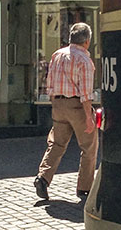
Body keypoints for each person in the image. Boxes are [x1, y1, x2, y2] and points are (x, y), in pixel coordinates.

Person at [34, 22, 97, 201]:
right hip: (76, 105)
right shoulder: (84, 60)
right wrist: (89, 117)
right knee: (89, 146)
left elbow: (49, 83)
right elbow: (85, 94)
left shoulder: (57, 55)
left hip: (58, 105)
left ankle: (43, 178)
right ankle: (84, 188)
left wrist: (55, 102)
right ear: (87, 41)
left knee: (57, 143)